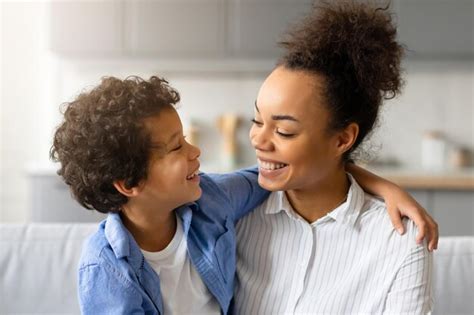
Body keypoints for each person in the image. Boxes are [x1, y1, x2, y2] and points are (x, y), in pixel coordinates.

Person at [50, 75, 436, 314]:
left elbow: (285, 172)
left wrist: (383, 185)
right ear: (130, 184)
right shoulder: (106, 270)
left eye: (185, 138)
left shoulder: (211, 202)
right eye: (175, 147)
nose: (195, 150)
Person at [234, 1, 434, 314]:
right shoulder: (232, 216)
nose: (258, 139)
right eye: (257, 121)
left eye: (284, 131)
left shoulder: (399, 241)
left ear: (342, 139)